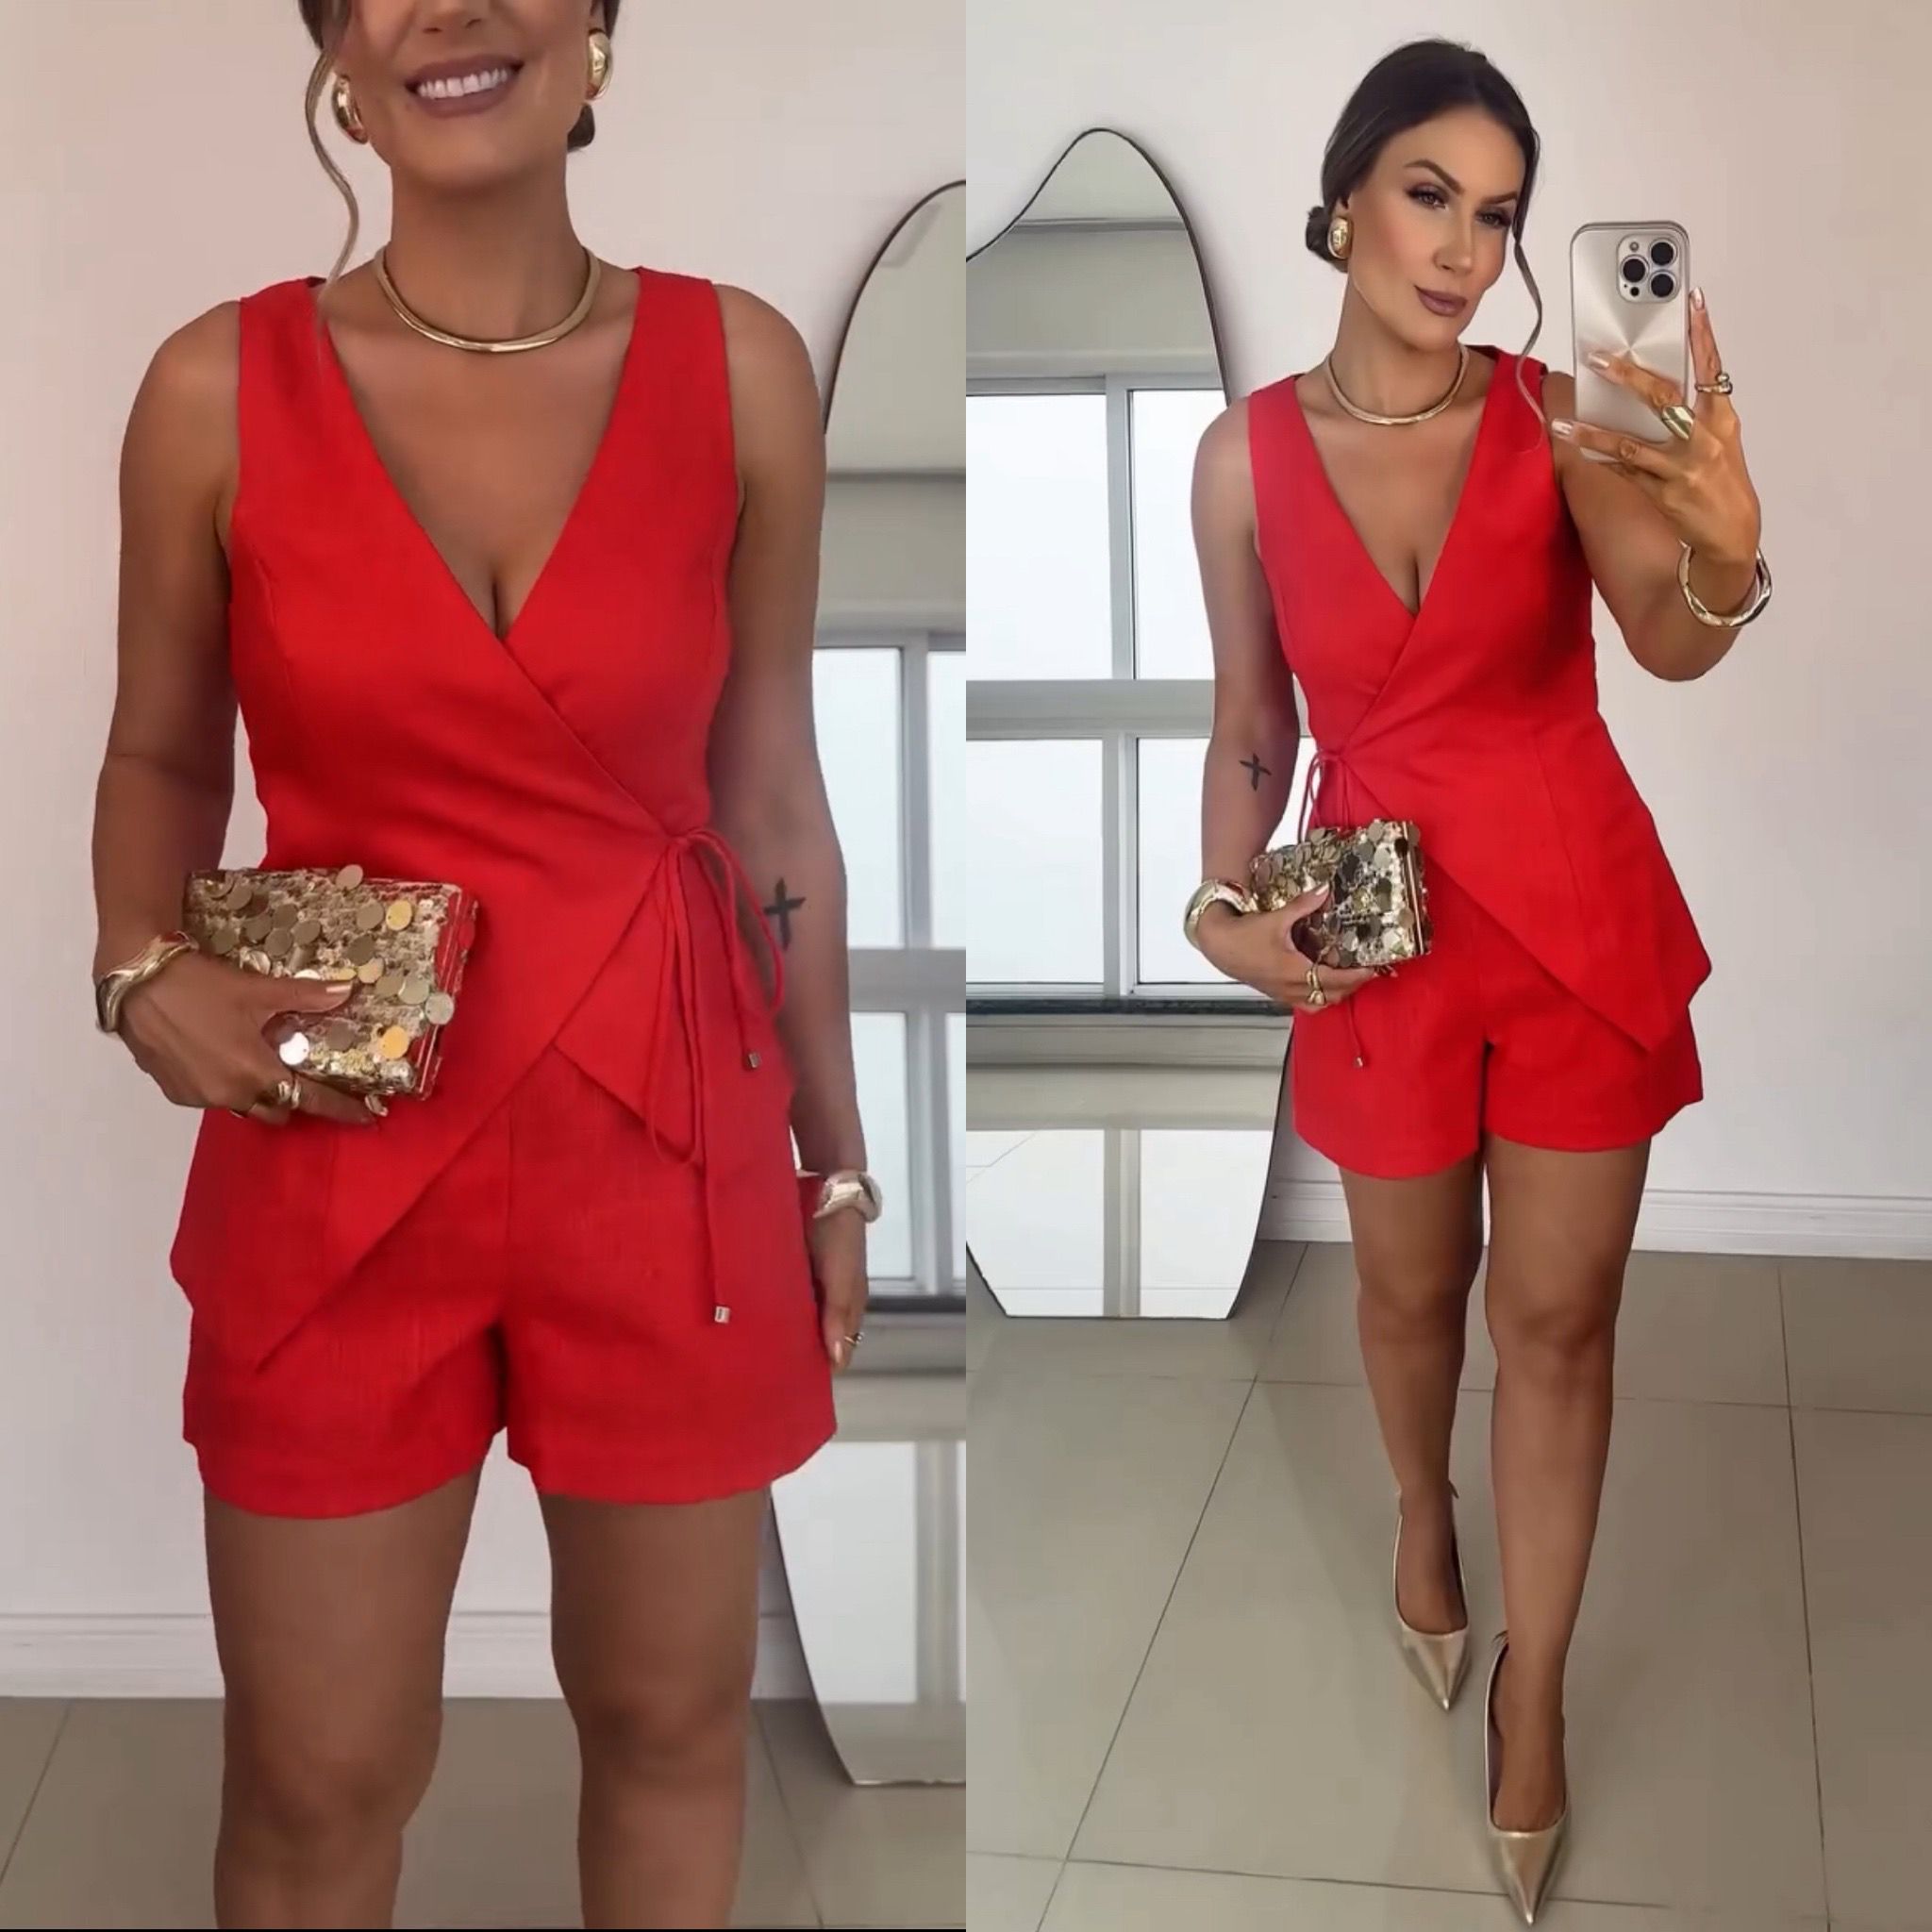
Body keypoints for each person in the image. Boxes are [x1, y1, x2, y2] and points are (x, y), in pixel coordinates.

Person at [86, 3, 875, 1924]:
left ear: (597, 28)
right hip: (336, 1141)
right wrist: (136, 961)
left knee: (673, 1727)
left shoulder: (741, 368)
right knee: (315, 1781)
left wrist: (838, 1160)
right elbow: (163, 752)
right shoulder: (215, 388)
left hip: (671, 1147)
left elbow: (771, 786)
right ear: (338, 58)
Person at [1186, 37, 1766, 1925]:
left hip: (1577, 914)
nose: (1463, 247)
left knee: (1561, 1324)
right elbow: (1251, 722)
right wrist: (1217, 906)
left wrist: (1729, 556)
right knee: (1405, 1291)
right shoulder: (1242, 458)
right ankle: (1420, 1517)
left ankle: (1535, 1688)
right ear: (1347, 195)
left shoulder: (1563, 413)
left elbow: (1665, 643)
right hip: (1379, 933)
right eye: (1429, 194)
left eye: (1500, 215)